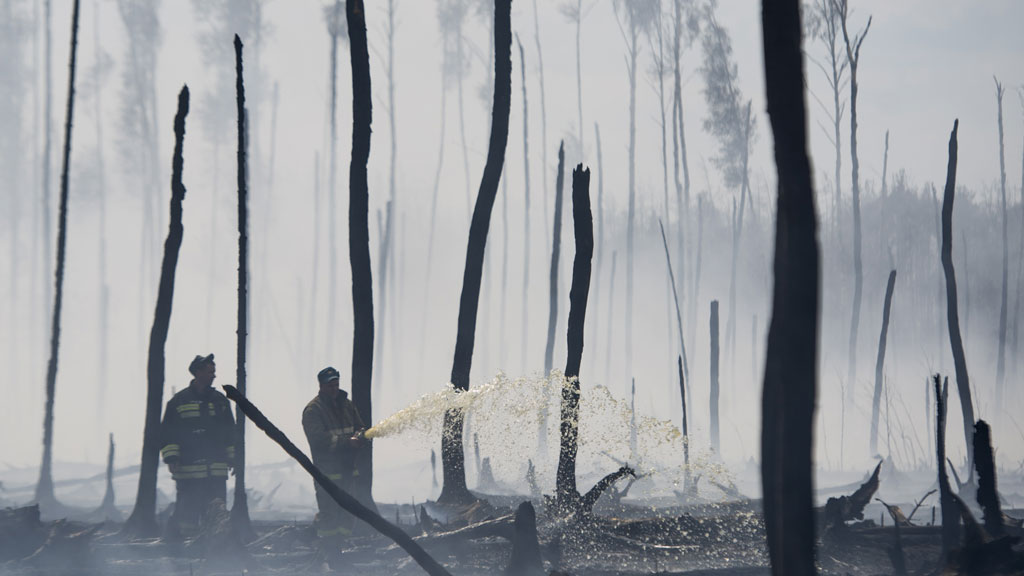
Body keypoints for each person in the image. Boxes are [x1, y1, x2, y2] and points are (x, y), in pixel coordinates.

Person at [160, 354, 236, 537]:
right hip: (188, 472)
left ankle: (214, 544)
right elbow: (167, 432)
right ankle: (187, 544)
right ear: (197, 372)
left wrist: (233, 457)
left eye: (214, 372)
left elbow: (230, 432)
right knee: (188, 513)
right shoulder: (179, 401)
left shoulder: (220, 401)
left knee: (216, 511)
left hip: (216, 471)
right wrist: (171, 457)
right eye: (210, 372)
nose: (214, 376)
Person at [302, 366, 366, 540]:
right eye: (330, 386)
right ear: (321, 386)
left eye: (336, 385)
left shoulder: (347, 405)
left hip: (348, 470)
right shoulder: (313, 410)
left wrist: (360, 436)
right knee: (329, 513)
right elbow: (318, 440)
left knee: (349, 512)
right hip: (327, 473)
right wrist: (347, 442)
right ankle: (328, 548)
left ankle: (342, 545)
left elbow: (359, 426)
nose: (334, 389)